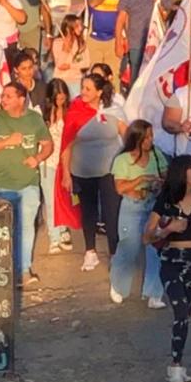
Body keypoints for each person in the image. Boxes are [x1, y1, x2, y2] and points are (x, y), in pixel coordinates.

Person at [145, 154, 191, 382]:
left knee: (185, 314)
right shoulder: (165, 200)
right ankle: (175, 366)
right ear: (182, 174)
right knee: (179, 311)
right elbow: (147, 236)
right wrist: (168, 230)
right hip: (170, 260)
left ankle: (178, 362)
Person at [0, 82, 53, 286]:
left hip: (29, 182)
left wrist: (37, 158)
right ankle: (5, 268)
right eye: (3, 96)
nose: (3, 99)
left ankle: (23, 270)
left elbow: (48, 145)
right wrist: (6, 142)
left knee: (27, 226)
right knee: (7, 228)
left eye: (9, 96)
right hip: (4, 184)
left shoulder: (34, 119)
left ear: (21, 99)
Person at [60, 73, 127, 269]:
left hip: (109, 171)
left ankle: (114, 253)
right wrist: (66, 174)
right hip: (83, 171)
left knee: (111, 212)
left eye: (88, 89)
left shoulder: (114, 110)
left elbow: (127, 135)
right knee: (88, 212)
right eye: (82, 88)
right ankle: (90, 251)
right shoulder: (75, 112)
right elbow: (67, 145)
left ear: (99, 92)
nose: (83, 92)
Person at [109, 120, 169, 308]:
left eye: (151, 136)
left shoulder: (157, 154)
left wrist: (159, 183)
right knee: (129, 247)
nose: (150, 140)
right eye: (146, 137)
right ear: (137, 138)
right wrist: (141, 179)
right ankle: (118, 285)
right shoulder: (122, 159)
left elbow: (166, 176)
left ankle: (154, 293)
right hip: (132, 207)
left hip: (153, 206)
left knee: (155, 249)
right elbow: (120, 188)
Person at [38, 78, 75, 254]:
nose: (60, 101)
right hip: (48, 162)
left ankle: (63, 230)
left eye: (63, 97)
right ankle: (54, 236)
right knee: (50, 200)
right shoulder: (44, 114)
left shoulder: (70, 112)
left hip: (66, 161)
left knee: (64, 199)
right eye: (57, 98)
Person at [117, 0, 168, 83]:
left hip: (154, 44)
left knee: (152, 79)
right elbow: (120, 19)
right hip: (135, 44)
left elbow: (167, 17)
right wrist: (118, 42)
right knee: (136, 79)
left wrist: (159, 5)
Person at [82, 0, 123, 68]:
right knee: (95, 73)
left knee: (113, 73)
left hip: (114, 39)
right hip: (94, 38)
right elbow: (93, 3)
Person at [50, 14, 87, 94]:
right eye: (77, 26)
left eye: (80, 25)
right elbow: (60, 65)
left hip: (77, 81)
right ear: (68, 28)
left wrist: (70, 66)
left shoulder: (81, 43)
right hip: (61, 81)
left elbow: (86, 63)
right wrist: (64, 50)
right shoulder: (57, 42)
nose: (80, 28)